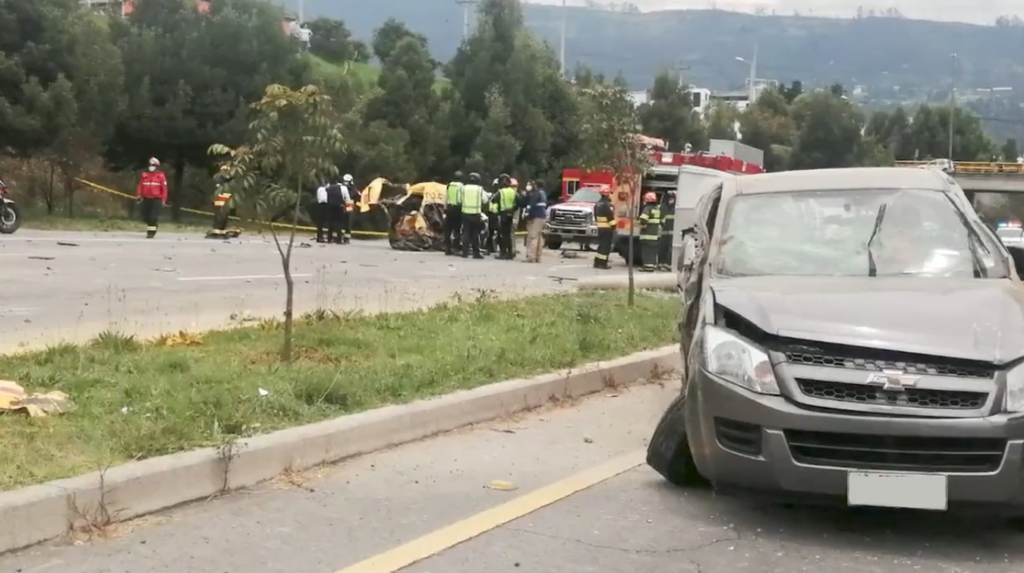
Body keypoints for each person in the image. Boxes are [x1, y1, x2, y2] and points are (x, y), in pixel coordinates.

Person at [136, 157, 168, 239]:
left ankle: (151, 232)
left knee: (153, 217)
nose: (151, 166)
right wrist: (139, 195)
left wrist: (163, 200)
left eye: (153, 165)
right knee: (145, 216)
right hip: (146, 198)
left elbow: (164, 189)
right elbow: (140, 185)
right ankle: (153, 226)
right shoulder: (144, 175)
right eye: (150, 165)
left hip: (157, 199)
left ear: (157, 166)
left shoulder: (160, 176)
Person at [491, 174, 518, 260]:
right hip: (510, 214)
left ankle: (503, 253)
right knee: (508, 234)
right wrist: (513, 209)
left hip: (503, 215)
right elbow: (519, 201)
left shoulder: (501, 192)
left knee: (502, 235)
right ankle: (510, 253)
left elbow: (493, 200)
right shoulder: (513, 192)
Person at [460, 173, 486, 259]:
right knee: (475, 234)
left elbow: (460, 200)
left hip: (465, 213)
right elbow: (485, 200)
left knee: (466, 233)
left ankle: (465, 253)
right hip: (476, 214)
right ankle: (476, 253)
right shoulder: (480, 189)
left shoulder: (463, 188)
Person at [524, 179, 548, 263]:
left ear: (536, 185)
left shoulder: (537, 194)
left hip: (536, 216)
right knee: (539, 237)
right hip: (542, 216)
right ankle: (538, 257)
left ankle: (531, 257)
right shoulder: (543, 193)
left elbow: (532, 206)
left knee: (532, 236)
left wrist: (529, 216)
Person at [638, 192, 662, 272]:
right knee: (652, 251)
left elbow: (643, 220)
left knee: (646, 251)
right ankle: (652, 266)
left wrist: (639, 222)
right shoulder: (657, 209)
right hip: (654, 235)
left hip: (646, 234)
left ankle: (647, 267)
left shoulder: (647, 209)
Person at [593, 186, 615, 269]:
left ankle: (597, 262)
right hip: (607, 228)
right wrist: (614, 226)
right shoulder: (607, 205)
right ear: (607, 194)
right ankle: (603, 263)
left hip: (600, 228)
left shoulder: (597, 204)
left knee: (601, 245)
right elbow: (610, 217)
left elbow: (595, 216)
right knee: (606, 246)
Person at [443, 171, 464, 255]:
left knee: (448, 229)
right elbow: (461, 199)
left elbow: (446, 197)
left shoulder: (449, 185)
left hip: (449, 208)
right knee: (457, 229)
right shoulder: (461, 186)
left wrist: (445, 208)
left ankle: (447, 248)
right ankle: (456, 247)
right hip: (457, 208)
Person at [658, 190, 676, 272]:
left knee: (670, 248)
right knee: (663, 247)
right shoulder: (665, 207)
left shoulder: (675, 208)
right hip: (666, 232)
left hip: (671, 232)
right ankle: (662, 264)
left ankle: (668, 264)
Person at [324, 179, 345, 244]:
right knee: (339, 223)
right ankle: (339, 240)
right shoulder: (342, 188)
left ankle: (329, 239)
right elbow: (346, 197)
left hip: (330, 206)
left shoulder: (327, 188)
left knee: (330, 223)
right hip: (339, 206)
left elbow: (324, 198)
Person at [340, 174, 356, 244]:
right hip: (349, 205)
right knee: (347, 223)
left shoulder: (341, 187)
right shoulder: (352, 188)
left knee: (341, 221)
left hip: (344, 204)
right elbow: (355, 195)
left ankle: (343, 237)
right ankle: (346, 238)